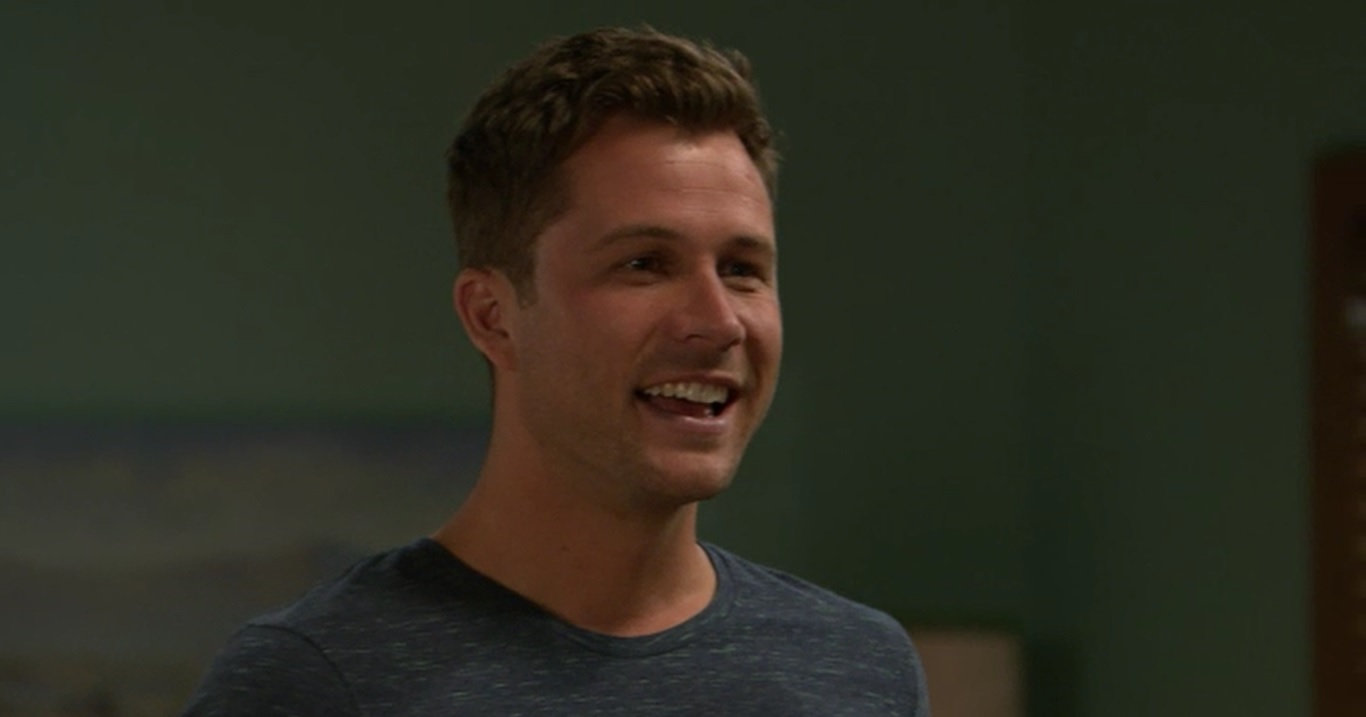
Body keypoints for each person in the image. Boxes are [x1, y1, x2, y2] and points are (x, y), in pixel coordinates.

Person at [181, 26, 929, 715]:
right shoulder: (314, 681)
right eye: (644, 264)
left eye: (742, 269)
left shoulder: (857, 670)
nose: (718, 320)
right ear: (492, 316)